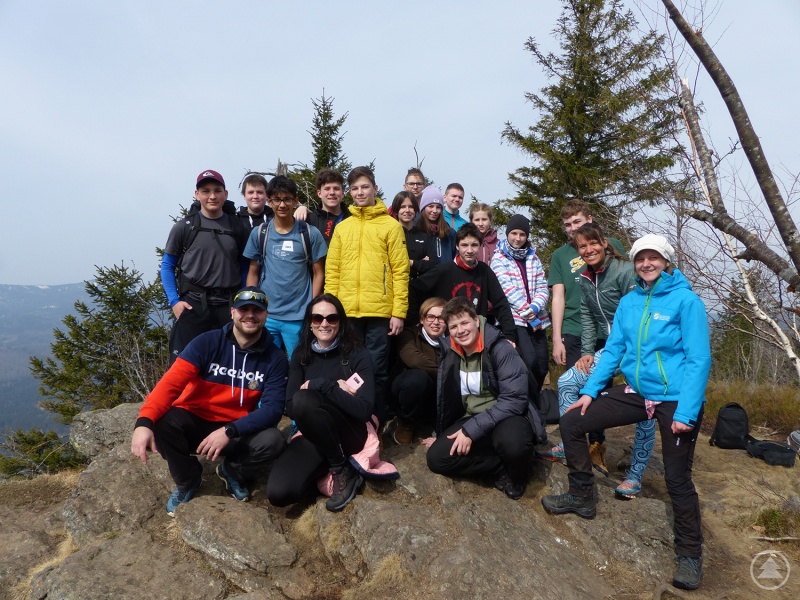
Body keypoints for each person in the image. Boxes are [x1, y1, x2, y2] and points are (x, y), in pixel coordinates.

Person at [541, 234, 711, 592]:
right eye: (640, 259)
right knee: (572, 420)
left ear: (666, 261)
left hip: (674, 398)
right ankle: (582, 495)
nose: (646, 264)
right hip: (636, 391)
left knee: (677, 478)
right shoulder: (631, 302)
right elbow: (615, 349)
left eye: (653, 258)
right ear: (633, 263)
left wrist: (687, 410)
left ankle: (690, 555)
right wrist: (589, 393)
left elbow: (698, 359)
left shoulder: (686, 301)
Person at [131, 287, 289, 515]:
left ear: (265, 315)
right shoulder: (206, 343)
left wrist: (229, 430)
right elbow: (170, 385)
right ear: (232, 312)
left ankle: (232, 471)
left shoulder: (275, 358)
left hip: (235, 430)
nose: (250, 315)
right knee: (162, 422)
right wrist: (143, 422)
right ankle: (188, 479)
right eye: (244, 309)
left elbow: (273, 410)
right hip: (194, 420)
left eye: (257, 310)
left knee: (273, 440)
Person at [540, 222, 654, 497]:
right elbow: (588, 316)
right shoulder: (585, 276)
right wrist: (588, 352)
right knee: (568, 380)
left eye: (593, 243)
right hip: (613, 349)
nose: (589, 249)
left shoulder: (625, 272)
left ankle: (635, 475)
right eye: (582, 246)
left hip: (640, 352)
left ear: (604, 243)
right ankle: (571, 444)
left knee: (648, 407)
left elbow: (640, 314)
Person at [424, 297, 546, 499]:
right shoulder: (451, 351)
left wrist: (471, 431)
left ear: (476, 320)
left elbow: (514, 400)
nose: (460, 330)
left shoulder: (500, 348)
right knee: (437, 459)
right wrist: (441, 432)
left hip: (508, 415)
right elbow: (447, 397)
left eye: (464, 323)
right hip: (472, 417)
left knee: (513, 446)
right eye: (454, 326)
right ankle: (501, 468)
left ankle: (518, 475)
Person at [267, 294, 375, 511]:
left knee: (305, 396)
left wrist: (324, 386)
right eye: (317, 318)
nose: (324, 323)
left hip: (350, 431)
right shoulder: (301, 354)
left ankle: (340, 467)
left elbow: (363, 410)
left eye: (331, 318)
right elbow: (291, 406)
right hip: (313, 433)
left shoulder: (357, 354)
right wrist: (337, 390)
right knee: (278, 493)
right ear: (309, 322)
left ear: (341, 321)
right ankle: (324, 470)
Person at [324, 166, 410, 422]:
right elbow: (333, 271)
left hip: (380, 312)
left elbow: (401, 271)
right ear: (350, 193)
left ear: (374, 188)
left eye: (364, 186)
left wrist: (398, 312)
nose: (360, 192)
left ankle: (377, 417)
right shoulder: (343, 227)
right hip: (348, 311)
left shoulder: (391, 226)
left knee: (377, 368)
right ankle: (351, 415)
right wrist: (331, 309)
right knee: (347, 365)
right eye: (355, 188)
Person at [161, 169, 249, 364]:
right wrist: (174, 302)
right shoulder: (184, 227)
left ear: (225, 195)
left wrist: (241, 300)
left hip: (228, 307)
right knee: (183, 367)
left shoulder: (238, 228)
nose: (212, 196)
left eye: (217, 190)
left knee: (226, 366)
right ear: (197, 194)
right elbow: (167, 266)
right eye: (206, 191)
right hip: (192, 305)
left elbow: (245, 266)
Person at [244, 175, 327, 358]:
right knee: (263, 364)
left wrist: (311, 307)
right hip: (267, 315)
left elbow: (319, 273)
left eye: (287, 199)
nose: (282, 205)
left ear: (295, 201)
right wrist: (253, 305)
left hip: (298, 316)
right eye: (276, 199)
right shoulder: (259, 233)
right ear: (269, 201)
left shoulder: (310, 234)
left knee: (297, 364)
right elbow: (253, 272)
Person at [409, 223, 517, 344]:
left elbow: (501, 303)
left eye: (474, 245)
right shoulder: (443, 270)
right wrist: (415, 322)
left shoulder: (484, 271)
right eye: (464, 245)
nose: (469, 250)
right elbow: (414, 289)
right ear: (457, 246)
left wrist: (509, 335)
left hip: (476, 336)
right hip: (449, 338)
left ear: (480, 246)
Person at [549, 199, 625, 369]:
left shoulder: (611, 244)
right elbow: (558, 298)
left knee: (604, 384)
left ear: (589, 219)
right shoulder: (560, 255)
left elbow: (626, 283)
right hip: (574, 329)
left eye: (577, 221)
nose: (573, 228)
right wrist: (556, 339)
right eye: (568, 224)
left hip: (608, 328)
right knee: (577, 380)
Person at [490, 214, 550, 396]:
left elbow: (542, 287)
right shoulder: (499, 258)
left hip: (537, 318)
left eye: (522, 234)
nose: (517, 238)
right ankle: (525, 402)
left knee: (542, 364)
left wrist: (534, 308)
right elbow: (506, 290)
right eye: (514, 233)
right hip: (515, 320)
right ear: (507, 233)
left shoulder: (533, 257)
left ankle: (535, 400)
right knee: (528, 362)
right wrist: (527, 311)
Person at [390, 297, 446, 443]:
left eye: (441, 318)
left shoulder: (454, 340)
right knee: (418, 379)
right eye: (431, 317)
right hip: (410, 393)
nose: (436, 322)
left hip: (438, 397)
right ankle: (406, 422)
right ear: (422, 319)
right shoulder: (409, 334)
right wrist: (446, 372)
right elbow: (413, 359)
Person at [295, 168, 350, 246]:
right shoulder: (309, 221)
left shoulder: (353, 217)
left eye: (336, 188)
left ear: (342, 193)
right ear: (319, 193)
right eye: (327, 189)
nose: (332, 193)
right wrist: (302, 208)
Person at [391, 190, 433, 279]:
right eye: (402, 207)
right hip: (397, 285)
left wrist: (411, 262)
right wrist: (420, 263)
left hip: (420, 287)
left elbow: (433, 264)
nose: (407, 210)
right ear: (396, 210)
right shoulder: (391, 234)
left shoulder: (424, 235)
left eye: (411, 207)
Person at [417, 186, 456, 265]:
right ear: (423, 208)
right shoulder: (416, 232)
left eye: (438, 207)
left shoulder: (450, 233)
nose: (434, 211)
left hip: (446, 276)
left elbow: (456, 258)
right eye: (430, 206)